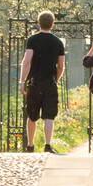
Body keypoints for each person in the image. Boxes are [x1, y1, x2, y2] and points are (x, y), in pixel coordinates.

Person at [19, 10, 65, 153]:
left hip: (34, 82)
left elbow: (26, 62)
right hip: (50, 83)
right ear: (52, 24)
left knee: (32, 115)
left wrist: (22, 81)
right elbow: (61, 66)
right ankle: (47, 145)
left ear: (39, 23)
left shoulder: (33, 40)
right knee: (49, 116)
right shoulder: (58, 42)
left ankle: (30, 145)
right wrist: (55, 79)